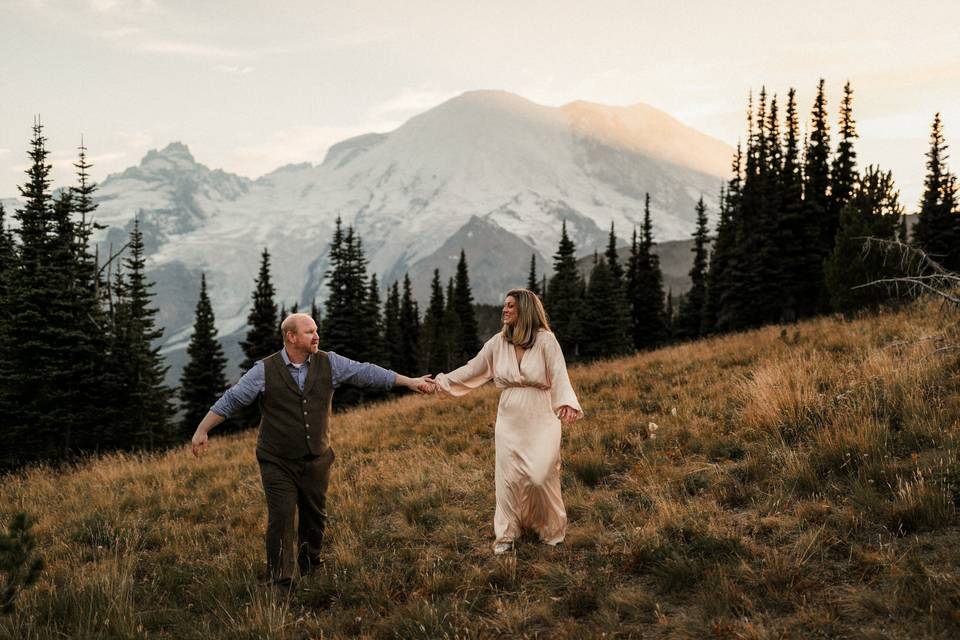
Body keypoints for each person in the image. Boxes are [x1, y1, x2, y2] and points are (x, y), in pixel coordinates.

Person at [190, 313, 434, 586]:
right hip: (276, 459)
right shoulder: (264, 370)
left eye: (316, 330)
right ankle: (280, 580)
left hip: (317, 458)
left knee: (314, 518)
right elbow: (234, 399)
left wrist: (409, 381)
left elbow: (366, 372)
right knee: (281, 516)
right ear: (291, 337)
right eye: (309, 332)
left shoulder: (330, 363)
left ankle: (311, 567)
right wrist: (203, 429)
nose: (317, 336)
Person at [433, 288, 582, 554]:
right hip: (509, 419)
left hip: (541, 415)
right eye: (504, 306)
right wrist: (441, 382)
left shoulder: (546, 341)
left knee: (540, 474)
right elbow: (472, 369)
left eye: (511, 306)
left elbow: (559, 373)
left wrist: (567, 402)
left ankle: (550, 530)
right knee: (509, 477)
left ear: (524, 309)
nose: (505, 310)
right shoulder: (497, 343)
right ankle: (507, 532)